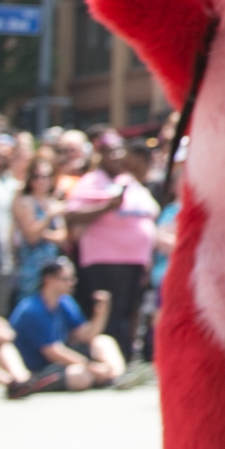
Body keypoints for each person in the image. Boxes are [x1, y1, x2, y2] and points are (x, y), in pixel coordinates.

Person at [67, 137, 159, 364]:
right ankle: (109, 360)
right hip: (105, 259)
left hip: (135, 259)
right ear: (100, 155)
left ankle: (126, 359)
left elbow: (150, 210)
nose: (116, 157)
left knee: (128, 310)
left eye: (119, 151)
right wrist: (106, 207)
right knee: (110, 312)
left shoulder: (128, 181)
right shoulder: (91, 181)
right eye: (110, 152)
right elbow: (72, 214)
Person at [7, 257, 126, 394]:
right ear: (49, 280)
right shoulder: (32, 309)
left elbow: (85, 336)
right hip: (38, 367)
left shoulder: (65, 302)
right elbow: (52, 352)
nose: (72, 283)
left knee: (103, 341)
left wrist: (101, 312)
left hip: (59, 361)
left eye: (72, 278)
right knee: (80, 376)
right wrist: (91, 366)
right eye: (66, 279)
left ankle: (118, 377)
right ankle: (102, 377)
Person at [9, 155, 68, 301]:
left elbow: (63, 236)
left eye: (47, 176)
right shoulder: (25, 202)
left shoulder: (53, 202)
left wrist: (42, 232)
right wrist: (48, 216)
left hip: (51, 267)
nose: (42, 180)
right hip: (30, 267)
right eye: (37, 176)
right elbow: (32, 237)